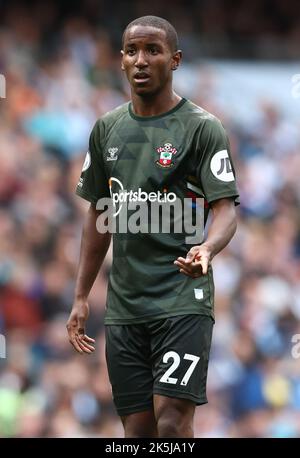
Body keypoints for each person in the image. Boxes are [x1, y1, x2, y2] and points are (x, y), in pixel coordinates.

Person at [66, 15, 239, 438]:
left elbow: (227, 210)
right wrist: (82, 296)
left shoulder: (202, 128)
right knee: (138, 431)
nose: (140, 60)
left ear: (175, 60)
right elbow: (98, 216)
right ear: (121, 61)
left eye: (152, 51)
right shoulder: (107, 129)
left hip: (182, 297)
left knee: (173, 422)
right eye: (131, 51)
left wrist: (208, 249)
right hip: (125, 306)